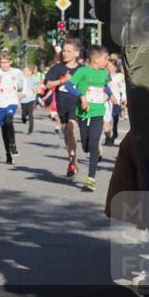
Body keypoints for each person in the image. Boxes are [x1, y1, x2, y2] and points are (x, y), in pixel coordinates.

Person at [62, 46, 113, 192]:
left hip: (98, 112)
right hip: (83, 113)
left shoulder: (104, 72)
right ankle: (90, 149)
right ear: (96, 60)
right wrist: (81, 96)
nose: (107, 62)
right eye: (106, 59)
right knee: (86, 146)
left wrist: (111, 94)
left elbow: (104, 86)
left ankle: (91, 178)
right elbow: (68, 85)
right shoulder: (83, 71)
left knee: (94, 143)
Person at [44, 38, 83, 178]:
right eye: (64, 51)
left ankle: (72, 160)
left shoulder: (82, 69)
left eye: (69, 51)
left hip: (76, 104)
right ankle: (72, 158)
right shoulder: (58, 68)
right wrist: (62, 80)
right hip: (62, 105)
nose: (65, 53)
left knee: (71, 130)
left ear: (76, 53)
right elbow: (48, 84)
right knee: (67, 134)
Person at [0, 52, 26, 164]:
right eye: (2, 62)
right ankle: (8, 153)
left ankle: (13, 145)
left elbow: (25, 81)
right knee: (4, 129)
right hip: (0, 102)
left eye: (6, 62)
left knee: (9, 120)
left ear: (10, 62)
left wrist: (23, 92)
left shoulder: (16, 72)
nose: (4, 65)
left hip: (12, 101)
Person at [20, 63, 41, 135]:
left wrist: (37, 89)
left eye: (25, 71)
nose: (24, 72)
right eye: (24, 71)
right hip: (23, 98)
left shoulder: (34, 79)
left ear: (30, 72)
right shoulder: (22, 78)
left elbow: (39, 85)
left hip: (31, 98)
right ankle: (23, 117)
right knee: (24, 113)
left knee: (30, 113)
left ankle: (30, 130)